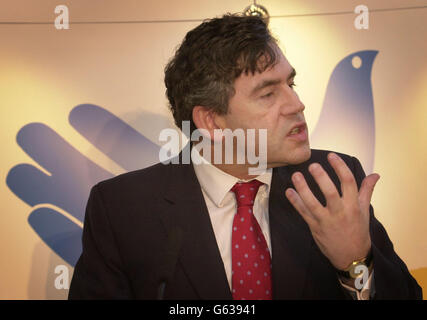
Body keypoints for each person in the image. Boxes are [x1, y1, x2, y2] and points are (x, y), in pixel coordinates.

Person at [69, 14, 422, 300]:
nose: (296, 104)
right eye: (268, 93)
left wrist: (355, 265)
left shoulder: (331, 180)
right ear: (211, 121)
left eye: (291, 84)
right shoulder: (122, 208)